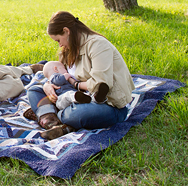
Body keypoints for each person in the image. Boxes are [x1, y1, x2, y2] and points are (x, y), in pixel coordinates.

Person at [26, 11, 135, 140]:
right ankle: (56, 124)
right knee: (34, 90)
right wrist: (48, 86)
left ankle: (50, 115)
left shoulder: (98, 45)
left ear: (66, 31)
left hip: (106, 105)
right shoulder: (68, 49)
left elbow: (100, 84)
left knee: (75, 114)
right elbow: (60, 74)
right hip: (71, 97)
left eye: (58, 40)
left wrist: (75, 84)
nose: (59, 45)